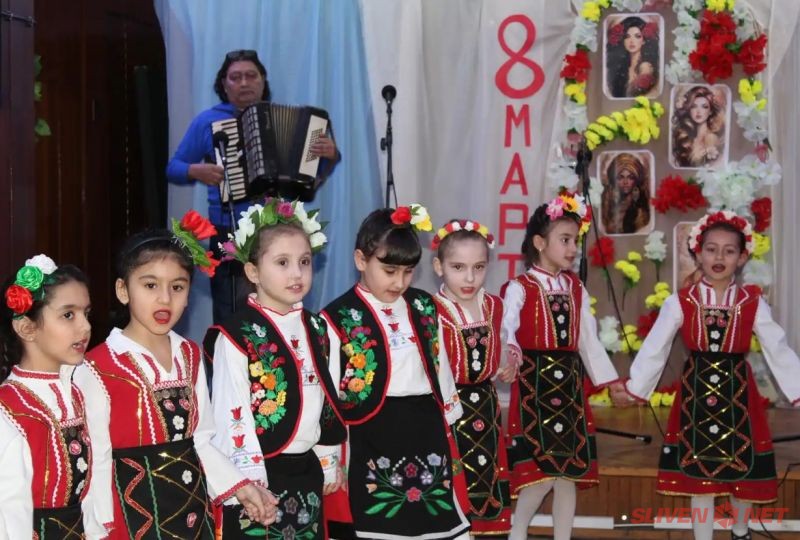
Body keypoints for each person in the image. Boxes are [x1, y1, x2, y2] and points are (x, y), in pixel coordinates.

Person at [73, 211, 276, 538]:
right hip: (131, 518)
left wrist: (242, 487)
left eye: (177, 287)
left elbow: (201, 440)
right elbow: (96, 459)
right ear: (123, 290)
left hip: (192, 513)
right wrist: (100, 529)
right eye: (150, 285)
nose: (165, 298)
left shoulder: (190, 355)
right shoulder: (97, 367)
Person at [612, 211, 800, 540]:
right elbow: (656, 346)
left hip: (738, 394)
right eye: (712, 249)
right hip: (696, 395)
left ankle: (740, 531)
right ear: (698, 253)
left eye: (729, 251)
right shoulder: (681, 301)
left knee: (743, 467)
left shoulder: (752, 302)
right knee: (699, 472)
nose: (719, 258)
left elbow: (778, 348)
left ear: (742, 257)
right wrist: (635, 387)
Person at [321, 205, 471, 540]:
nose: (399, 282)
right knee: (377, 524)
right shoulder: (337, 317)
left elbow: (439, 365)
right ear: (361, 260)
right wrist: (328, 456)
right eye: (389, 270)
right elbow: (328, 394)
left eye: (408, 272)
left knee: (435, 525)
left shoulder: (423, 305)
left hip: (425, 428)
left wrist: (448, 418)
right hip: (370, 433)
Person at [203, 198, 347, 539]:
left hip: (306, 470)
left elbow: (328, 399)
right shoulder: (236, 335)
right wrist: (248, 481)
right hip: (259, 474)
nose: (296, 273)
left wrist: (328, 458)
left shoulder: (319, 328)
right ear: (253, 272)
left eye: (304, 261)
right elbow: (232, 412)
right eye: (282, 262)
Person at [166, 49, 340, 323]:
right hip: (228, 228)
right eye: (235, 77)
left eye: (251, 76)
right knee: (231, 309)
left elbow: (307, 183)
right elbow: (173, 168)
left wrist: (330, 156)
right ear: (224, 85)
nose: (244, 83)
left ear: (262, 80)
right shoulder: (208, 121)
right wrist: (195, 170)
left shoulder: (289, 119)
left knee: (282, 303)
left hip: (277, 227)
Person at [501, 194, 624, 540]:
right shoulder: (519, 287)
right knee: (541, 474)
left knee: (568, 473)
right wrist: (510, 355)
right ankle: (517, 532)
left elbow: (587, 339)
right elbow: (507, 328)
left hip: (569, 387)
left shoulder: (575, 287)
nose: (573, 249)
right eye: (565, 240)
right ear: (540, 243)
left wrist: (610, 381)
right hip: (534, 386)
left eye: (575, 241)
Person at [0, 256, 109, 538]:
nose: (86, 327)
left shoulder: (75, 394)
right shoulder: (8, 409)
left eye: (86, 313)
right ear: (26, 328)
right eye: (68, 315)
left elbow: (87, 496)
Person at [430, 219, 514, 535]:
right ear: (438, 266)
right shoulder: (430, 310)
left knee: (487, 478)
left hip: (486, 408)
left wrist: (508, 362)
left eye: (478, 267)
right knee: (455, 484)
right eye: (458, 267)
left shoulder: (494, 305)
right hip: (446, 412)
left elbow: (503, 346)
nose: (469, 278)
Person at [606, 16, 660, 98]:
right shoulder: (622, 67)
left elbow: (636, 95)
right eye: (627, 36)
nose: (631, 41)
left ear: (643, 40)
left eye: (637, 36)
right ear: (623, 40)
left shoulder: (645, 66)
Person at [671, 85, 724, 168]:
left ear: (710, 111)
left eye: (704, 107)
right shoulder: (688, 137)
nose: (698, 111)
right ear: (689, 109)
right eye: (694, 106)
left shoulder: (711, 138)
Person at [601, 152, 651, 234]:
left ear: (636, 180)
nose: (625, 182)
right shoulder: (606, 206)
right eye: (620, 177)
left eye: (630, 177)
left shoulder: (640, 211)